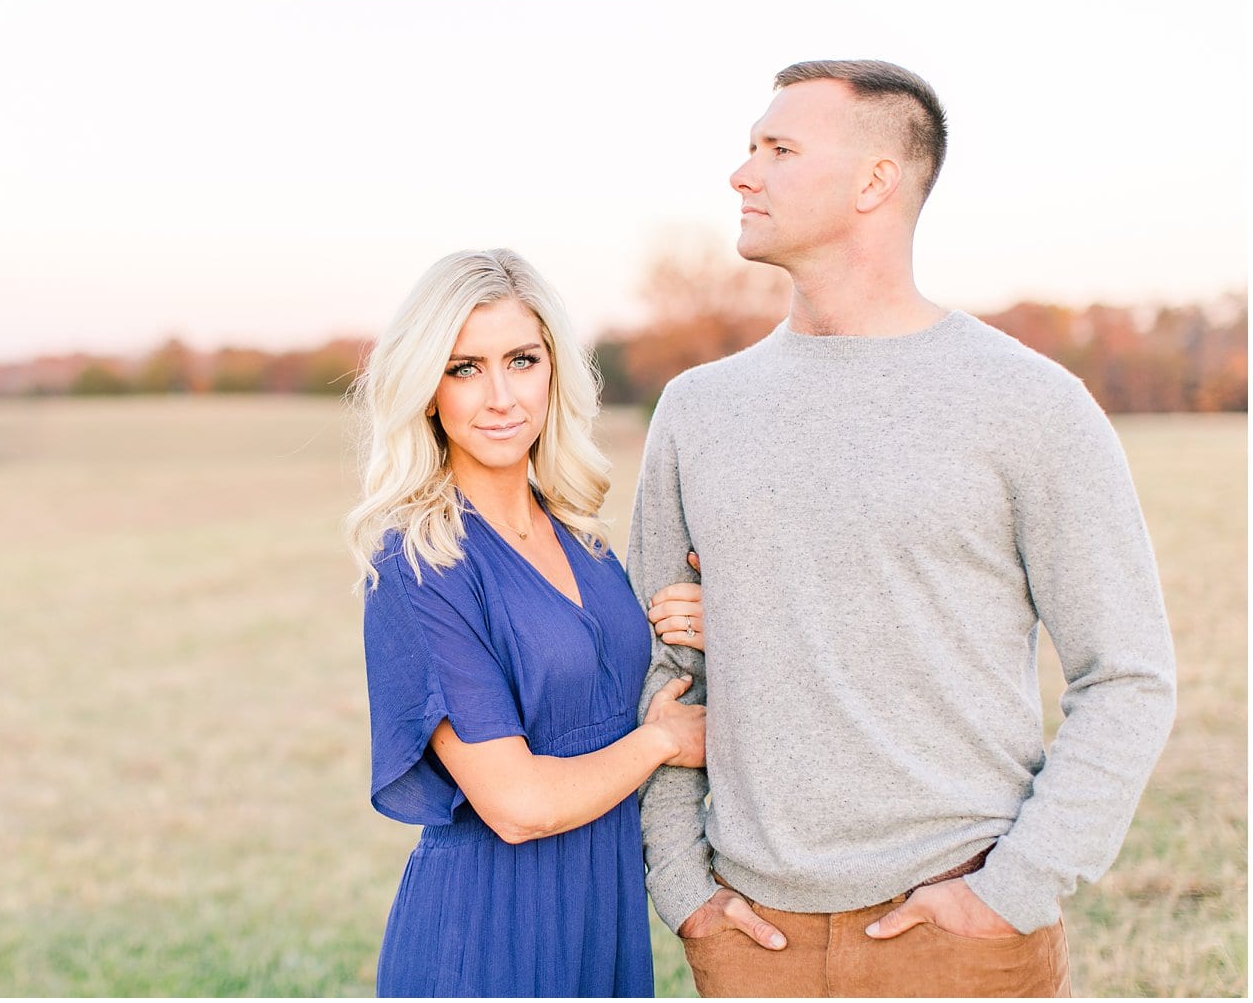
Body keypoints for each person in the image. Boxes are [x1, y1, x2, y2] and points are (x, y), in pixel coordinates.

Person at [628, 60, 1177, 998]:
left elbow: (1125, 673)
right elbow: (664, 671)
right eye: (748, 147)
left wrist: (1014, 889)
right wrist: (684, 890)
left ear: (874, 181)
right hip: (750, 943)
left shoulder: (1030, 404)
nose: (741, 173)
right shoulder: (695, 411)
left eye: (778, 149)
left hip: (960, 934)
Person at [345, 248, 709, 997]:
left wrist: (691, 619)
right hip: (486, 935)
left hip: (598, 919)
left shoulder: (581, 535)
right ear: (426, 390)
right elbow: (516, 805)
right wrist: (660, 742)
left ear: (554, 370)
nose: (501, 395)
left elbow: (608, 680)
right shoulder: (420, 562)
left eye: (521, 359)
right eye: (464, 367)